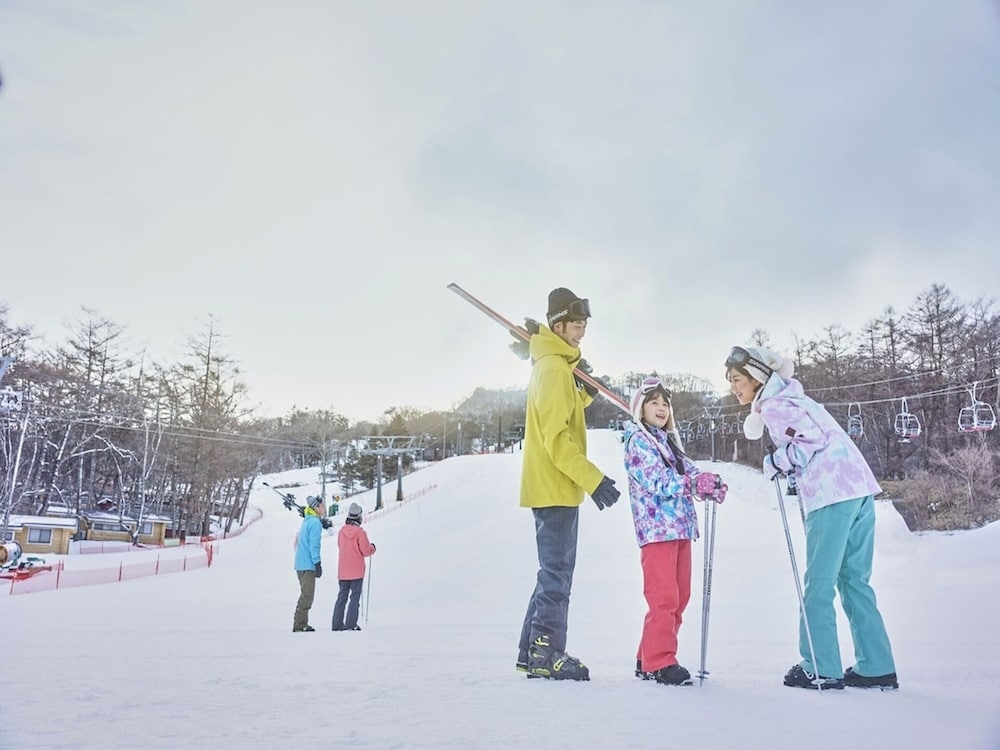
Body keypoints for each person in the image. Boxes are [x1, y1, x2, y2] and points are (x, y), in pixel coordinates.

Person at [725, 345, 898, 690]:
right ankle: (876, 665)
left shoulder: (774, 405)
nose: (733, 387)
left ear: (756, 377)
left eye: (736, 379)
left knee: (818, 584)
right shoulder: (797, 399)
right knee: (854, 581)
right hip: (858, 488)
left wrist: (776, 462)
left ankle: (820, 665)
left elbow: (810, 442)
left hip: (831, 494)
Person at [515, 287, 622, 681]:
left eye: (584, 326)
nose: (582, 333)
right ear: (558, 325)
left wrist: (587, 396)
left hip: (551, 486)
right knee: (558, 575)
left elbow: (562, 412)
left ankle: (533, 651)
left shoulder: (553, 367)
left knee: (551, 572)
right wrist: (594, 480)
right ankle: (547, 654)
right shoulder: (554, 370)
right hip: (556, 485)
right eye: (576, 325)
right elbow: (557, 440)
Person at [623, 377, 728, 686]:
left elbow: (689, 471)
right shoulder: (638, 442)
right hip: (656, 530)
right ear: (640, 409)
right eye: (653, 402)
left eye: (665, 403)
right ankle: (661, 661)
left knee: (680, 597)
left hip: (680, 527)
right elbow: (656, 480)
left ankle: (647, 656)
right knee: (664, 597)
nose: (661, 408)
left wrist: (709, 482)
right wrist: (691, 485)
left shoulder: (668, 443)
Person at [332, 502, 376, 631]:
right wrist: (372, 548)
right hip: (356, 570)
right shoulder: (360, 533)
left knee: (342, 597)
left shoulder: (341, 532)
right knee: (354, 597)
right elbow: (366, 551)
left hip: (343, 570)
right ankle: (351, 624)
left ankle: (337, 624)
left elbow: (340, 547)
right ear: (359, 517)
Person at [293, 495, 326, 633]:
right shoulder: (314, 523)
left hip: (301, 564)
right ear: (316, 507)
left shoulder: (308, 521)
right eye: (322, 506)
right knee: (307, 595)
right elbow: (314, 545)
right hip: (308, 564)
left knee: (305, 594)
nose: (324, 508)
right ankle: (300, 625)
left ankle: (301, 623)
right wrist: (317, 563)